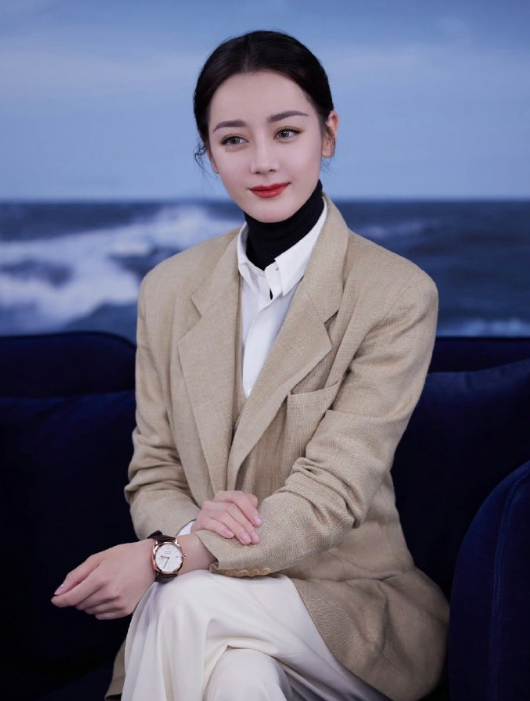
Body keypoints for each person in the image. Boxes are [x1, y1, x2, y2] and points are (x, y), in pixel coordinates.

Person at [52, 29, 449, 701]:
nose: (263, 161)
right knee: (238, 674)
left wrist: (170, 555)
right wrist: (194, 533)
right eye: (234, 140)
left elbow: (332, 492)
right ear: (209, 154)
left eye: (286, 132)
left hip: (346, 608)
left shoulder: (396, 294)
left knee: (182, 600)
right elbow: (154, 468)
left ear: (328, 134)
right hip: (217, 610)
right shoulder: (168, 289)